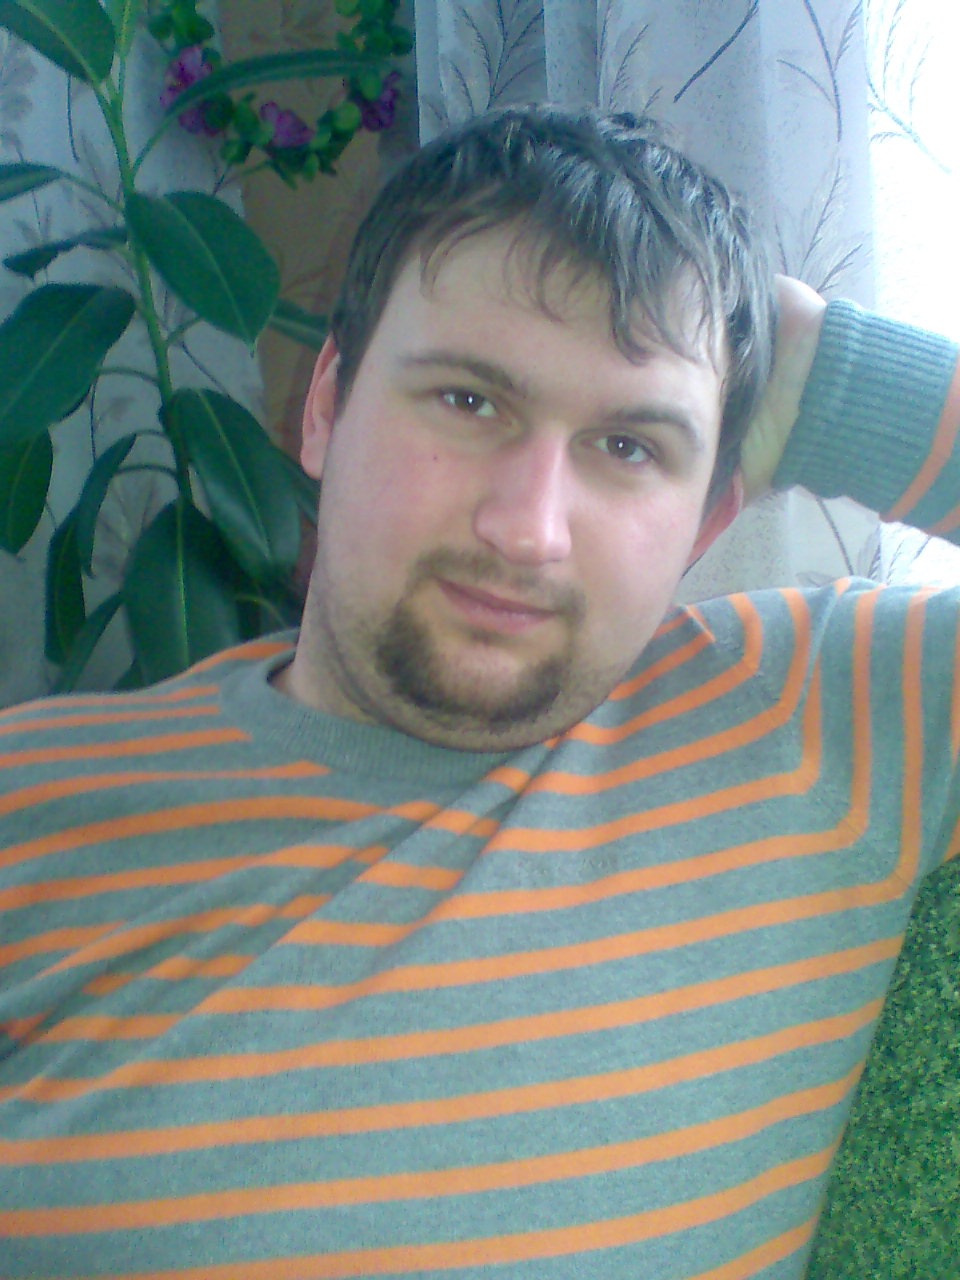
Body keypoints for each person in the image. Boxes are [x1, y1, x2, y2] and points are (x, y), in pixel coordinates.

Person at [0, 104, 957, 1280]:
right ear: (324, 407)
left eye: (631, 446)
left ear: (711, 519)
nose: (527, 528)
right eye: (468, 400)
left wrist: (825, 373)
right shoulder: (31, 800)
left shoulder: (826, 717)